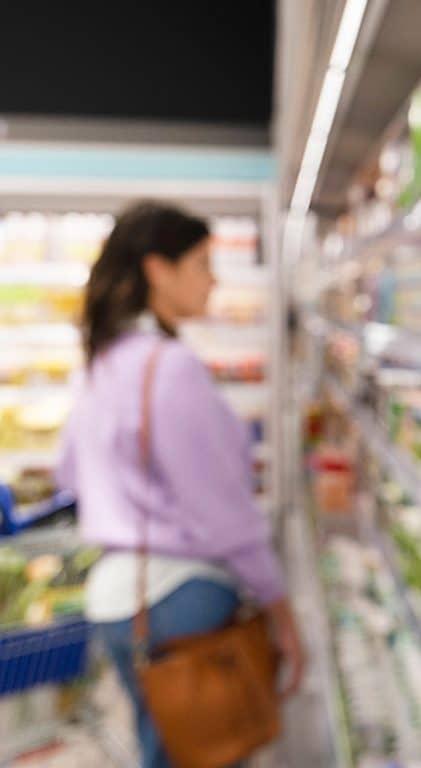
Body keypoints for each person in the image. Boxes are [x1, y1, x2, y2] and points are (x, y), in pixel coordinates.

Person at [56, 201, 305, 768]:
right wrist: (280, 611)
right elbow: (224, 516)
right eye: (201, 264)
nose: (213, 281)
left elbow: (69, 471)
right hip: (182, 601)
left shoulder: (102, 361)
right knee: (211, 752)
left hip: (115, 601)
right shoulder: (169, 368)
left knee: (163, 750)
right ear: (157, 270)